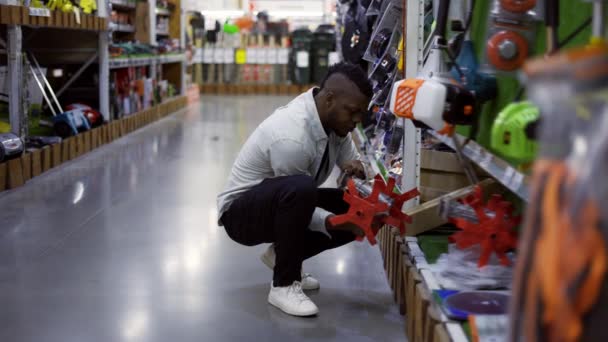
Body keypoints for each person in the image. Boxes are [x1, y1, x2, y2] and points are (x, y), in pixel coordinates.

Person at [217, 62, 373, 317]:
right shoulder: (292, 137)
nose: (357, 120)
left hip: (283, 200)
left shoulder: (336, 123)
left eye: (361, 114)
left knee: (353, 207)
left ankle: (279, 255)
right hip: (241, 215)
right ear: (330, 99)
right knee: (302, 188)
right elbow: (296, 202)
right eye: (353, 112)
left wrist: (359, 172)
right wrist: (334, 222)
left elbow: (352, 163)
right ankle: (283, 285)